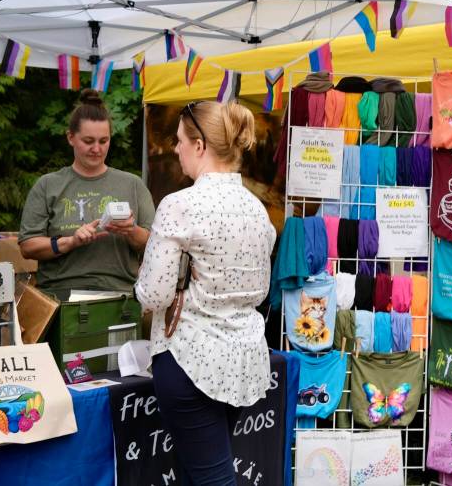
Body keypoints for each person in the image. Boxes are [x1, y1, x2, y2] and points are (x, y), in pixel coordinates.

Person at [136, 101, 276, 485]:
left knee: (211, 478)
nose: (176, 148)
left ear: (199, 145)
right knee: (197, 473)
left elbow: (154, 295)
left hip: (188, 359)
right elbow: (259, 291)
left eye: (180, 140)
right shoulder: (256, 209)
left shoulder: (179, 205)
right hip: (241, 360)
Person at [19, 89, 155, 295]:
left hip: (119, 296)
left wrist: (130, 230)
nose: (97, 149)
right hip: (60, 296)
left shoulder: (132, 185)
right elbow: (27, 247)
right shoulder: (48, 185)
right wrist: (70, 242)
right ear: (70, 137)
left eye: (103, 141)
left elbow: (155, 246)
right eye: (88, 141)